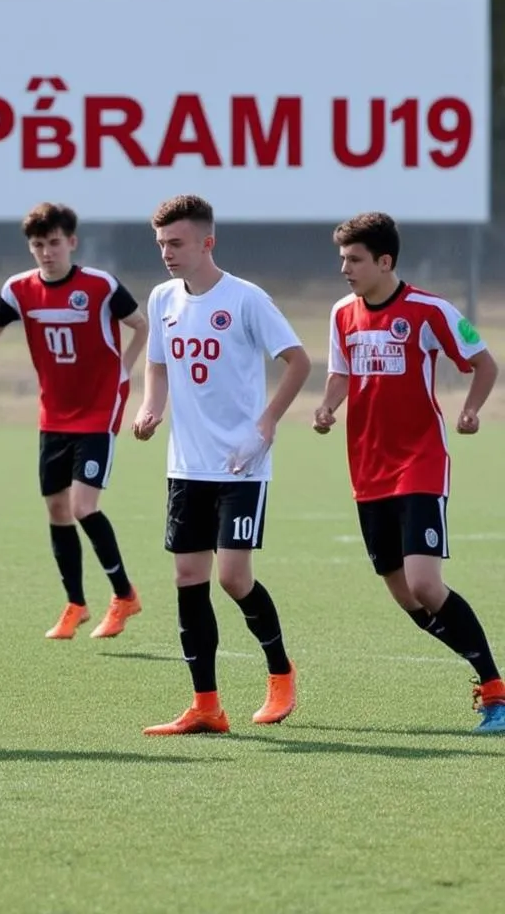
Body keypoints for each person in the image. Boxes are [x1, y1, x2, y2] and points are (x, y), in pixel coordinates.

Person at [313, 211, 505, 733]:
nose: (345, 268)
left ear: (384, 261)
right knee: (402, 592)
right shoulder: (341, 314)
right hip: (367, 466)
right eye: (342, 259)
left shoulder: (429, 310)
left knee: (424, 582)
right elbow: (339, 373)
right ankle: (486, 675)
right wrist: (329, 406)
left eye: (354, 259)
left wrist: (470, 409)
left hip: (419, 462)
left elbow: (484, 363)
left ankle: (493, 689)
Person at [132, 194, 311, 735]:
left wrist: (267, 425)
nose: (167, 252)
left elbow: (298, 362)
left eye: (177, 243)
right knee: (189, 578)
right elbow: (156, 364)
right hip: (187, 466)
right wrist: (149, 406)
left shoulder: (246, 299)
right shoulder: (163, 297)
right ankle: (206, 704)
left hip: (240, 464)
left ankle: (280, 671)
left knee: (233, 578)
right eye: (162, 243)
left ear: (207, 243)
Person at [0, 202, 149, 640]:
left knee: (83, 506)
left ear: (71, 242)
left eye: (53, 243)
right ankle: (75, 604)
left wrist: (124, 369)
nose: (46, 252)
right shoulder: (18, 289)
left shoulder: (100, 285)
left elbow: (141, 325)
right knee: (56, 508)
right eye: (37, 245)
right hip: (54, 410)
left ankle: (124, 595)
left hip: (99, 407)